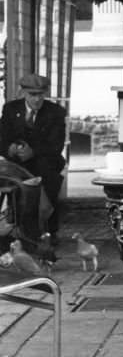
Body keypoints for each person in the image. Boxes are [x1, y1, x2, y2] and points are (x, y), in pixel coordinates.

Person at [0, 74, 67, 237]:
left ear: (45, 93)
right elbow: (2, 137)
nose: (37, 100)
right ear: (23, 92)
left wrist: (33, 152)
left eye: (40, 95)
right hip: (17, 162)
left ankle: (48, 230)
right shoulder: (11, 109)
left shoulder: (55, 112)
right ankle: (18, 223)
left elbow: (56, 145)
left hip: (46, 161)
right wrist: (10, 149)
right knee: (13, 177)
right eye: (32, 95)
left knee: (47, 177)